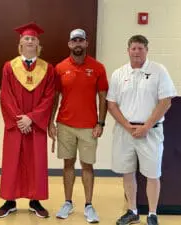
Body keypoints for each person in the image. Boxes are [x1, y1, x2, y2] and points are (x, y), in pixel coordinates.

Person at [107, 35, 177, 225]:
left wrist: (146, 126)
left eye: (140, 48)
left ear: (147, 50)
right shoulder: (119, 74)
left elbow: (166, 101)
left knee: (153, 174)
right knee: (127, 172)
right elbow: (111, 104)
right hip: (125, 131)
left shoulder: (158, 71)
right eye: (133, 48)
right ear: (128, 50)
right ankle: (132, 211)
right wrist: (126, 126)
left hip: (150, 132)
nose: (136, 52)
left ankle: (152, 214)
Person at [0, 22, 55, 218]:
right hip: (16, 125)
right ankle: (9, 200)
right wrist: (19, 119)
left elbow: (49, 97)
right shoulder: (9, 67)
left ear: (38, 44)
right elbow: (6, 96)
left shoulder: (47, 69)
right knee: (13, 161)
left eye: (33, 39)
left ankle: (35, 201)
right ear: (21, 43)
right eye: (27, 39)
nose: (30, 41)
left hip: (35, 125)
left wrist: (31, 118)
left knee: (36, 161)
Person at [48, 28, 108, 223]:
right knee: (67, 164)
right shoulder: (60, 68)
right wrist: (51, 123)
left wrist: (100, 123)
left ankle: (89, 205)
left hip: (89, 126)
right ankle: (68, 202)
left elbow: (102, 97)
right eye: (74, 41)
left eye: (81, 40)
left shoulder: (98, 67)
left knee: (87, 165)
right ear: (69, 44)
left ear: (86, 43)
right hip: (65, 124)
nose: (77, 44)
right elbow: (54, 98)